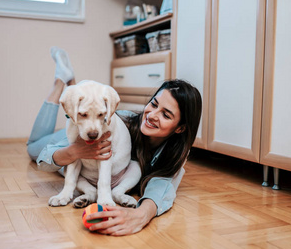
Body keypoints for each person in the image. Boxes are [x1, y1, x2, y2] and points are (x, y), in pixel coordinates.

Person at [27, 47, 202, 236]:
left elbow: (162, 186)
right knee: (33, 146)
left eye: (166, 115)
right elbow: (45, 159)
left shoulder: (174, 153)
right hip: (77, 139)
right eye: (153, 104)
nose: (152, 115)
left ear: (180, 128)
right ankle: (60, 82)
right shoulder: (116, 121)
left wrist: (142, 215)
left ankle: (72, 84)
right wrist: (75, 151)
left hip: (100, 166)